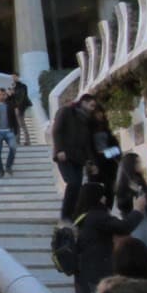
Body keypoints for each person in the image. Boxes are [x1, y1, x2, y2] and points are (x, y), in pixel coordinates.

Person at [74, 182, 145, 293]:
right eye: (102, 195)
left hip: (85, 274)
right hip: (97, 274)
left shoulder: (82, 216)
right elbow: (124, 227)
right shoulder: (97, 216)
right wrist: (138, 210)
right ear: (95, 197)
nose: (105, 198)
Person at [52, 92, 98, 222]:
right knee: (72, 183)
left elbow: (87, 143)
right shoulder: (66, 111)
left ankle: (73, 215)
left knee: (77, 187)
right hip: (64, 156)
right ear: (83, 102)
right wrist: (60, 149)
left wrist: (92, 162)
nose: (92, 109)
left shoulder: (86, 120)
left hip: (78, 159)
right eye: (91, 105)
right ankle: (65, 216)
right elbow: (57, 130)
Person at [116, 152, 147, 254]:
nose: (140, 165)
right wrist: (131, 193)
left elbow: (145, 200)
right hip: (133, 219)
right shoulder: (124, 183)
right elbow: (121, 205)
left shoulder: (140, 180)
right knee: (139, 248)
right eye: (137, 162)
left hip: (144, 218)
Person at [91, 103, 121, 210]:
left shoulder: (106, 129)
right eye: (96, 113)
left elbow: (117, 149)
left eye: (100, 113)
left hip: (109, 163)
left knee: (109, 189)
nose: (99, 115)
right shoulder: (89, 130)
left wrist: (106, 153)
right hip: (97, 163)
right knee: (98, 190)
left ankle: (108, 211)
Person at [0, 87, 18, 178]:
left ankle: (8, 166)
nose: (1, 96)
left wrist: (16, 130)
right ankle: (0, 171)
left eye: (3, 94)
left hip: (9, 131)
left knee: (13, 147)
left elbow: (14, 118)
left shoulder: (10, 104)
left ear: (5, 95)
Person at [11, 73, 32, 145]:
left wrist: (18, 107)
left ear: (18, 77)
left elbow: (22, 97)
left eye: (14, 77)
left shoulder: (22, 86)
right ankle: (17, 140)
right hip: (16, 107)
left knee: (21, 124)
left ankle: (27, 140)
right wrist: (12, 94)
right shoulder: (14, 86)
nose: (13, 78)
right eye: (12, 77)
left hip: (20, 107)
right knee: (17, 124)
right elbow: (13, 98)